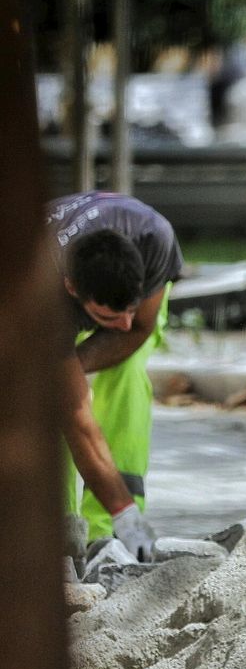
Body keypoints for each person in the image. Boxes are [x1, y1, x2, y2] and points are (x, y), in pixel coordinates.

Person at [49, 192, 183, 557]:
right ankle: (61, 533)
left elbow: (138, 329)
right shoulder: (42, 292)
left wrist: (126, 521)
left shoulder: (154, 240)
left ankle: (109, 534)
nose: (122, 324)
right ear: (73, 290)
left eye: (130, 308)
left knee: (126, 373)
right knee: (50, 400)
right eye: (109, 317)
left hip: (134, 244)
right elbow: (79, 423)